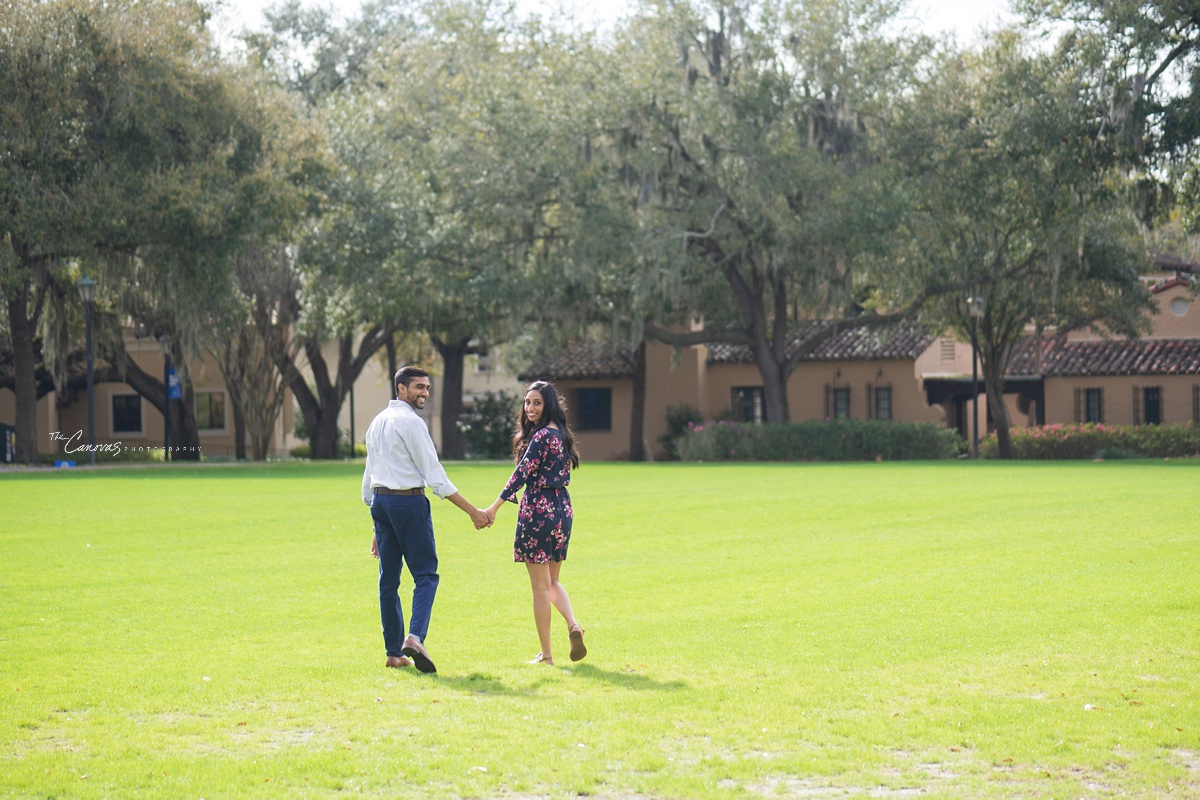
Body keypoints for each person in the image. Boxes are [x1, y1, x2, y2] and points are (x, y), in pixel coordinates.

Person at [363, 366, 491, 673]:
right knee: (426, 575)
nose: (425, 393)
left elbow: (370, 477)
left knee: (388, 581)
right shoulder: (412, 423)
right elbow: (436, 478)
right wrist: (474, 511)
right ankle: (415, 637)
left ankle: (394, 653)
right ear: (401, 389)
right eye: (419, 387)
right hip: (408, 505)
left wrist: (377, 524)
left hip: (381, 504)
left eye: (428, 388)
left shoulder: (376, 422)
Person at [484, 380, 586, 665]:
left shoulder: (541, 437)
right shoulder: (561, 434)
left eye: (537, 403)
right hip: (563, 509)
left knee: (540, 587)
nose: (530, 408)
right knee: (552, 581)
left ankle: (547, 655)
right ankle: (573, 624)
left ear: (548, 405)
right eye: (527, 402)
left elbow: (520, 474)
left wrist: (493, 508)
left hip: (538, 511)